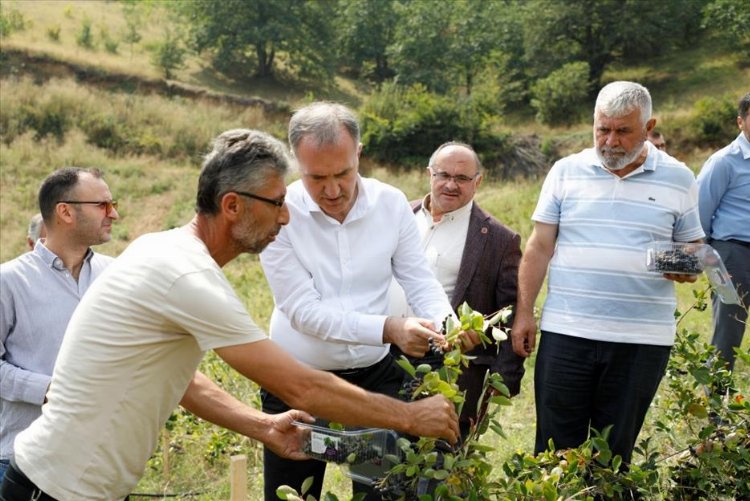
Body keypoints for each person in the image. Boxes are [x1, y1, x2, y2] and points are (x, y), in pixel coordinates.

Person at [1, 129, 458, 501]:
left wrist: (263, 426)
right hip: (56, 490)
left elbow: (185, 380)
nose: (286, 217)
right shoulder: (188, 277)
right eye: (277, 203)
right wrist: (409, 417)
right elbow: (299, 387)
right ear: (233, 205)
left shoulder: (164, 250)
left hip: (70, 485)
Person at [259, 103, 462, 500]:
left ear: (359, 153)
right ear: (296, 163)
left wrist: (447, 324)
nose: (333, 190)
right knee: (294, 491)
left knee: (381, 488)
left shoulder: (390, 203)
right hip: (297, 381)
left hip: (374, 377)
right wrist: (389, 329)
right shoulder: (278, 214)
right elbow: (303, 311)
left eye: (343, 173)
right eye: (317, 178)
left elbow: (418, 278)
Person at [511, 81, 704, 465]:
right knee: (553, 452)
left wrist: (687, 264)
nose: (610, 141)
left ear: (649, 128)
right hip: (567, 332)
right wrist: (524, 311)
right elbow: (539, 246)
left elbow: (693, 251)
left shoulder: (679, 177)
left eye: (623, 131)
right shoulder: (566, 171)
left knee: (613, 457)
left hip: (641, 340)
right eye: (602, 129)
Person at [389, 141, 524, 439]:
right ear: (430, 174)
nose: (451, 185)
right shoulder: (398, 214)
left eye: (462, 178)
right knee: (377, 450)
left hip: (448, 369)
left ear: (478, 182)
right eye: (443, 175)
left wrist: (503, 379)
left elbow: (511, 312)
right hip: (383, 355)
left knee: (438, 457)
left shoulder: (499, 240)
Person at [1, 168, 118, 481]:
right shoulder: (8, 282)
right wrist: (51, 390)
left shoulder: (118, 275)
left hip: (101, 462)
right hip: (25, 465)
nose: (113, 214)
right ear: (65, 212)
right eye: (103, 205)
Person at [697, 92, 750, 372]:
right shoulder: (724, 161)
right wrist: (707, 257)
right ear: (741, 121)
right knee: (728, 330)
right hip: (732, 253)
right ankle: (716, 397)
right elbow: (700, 210)